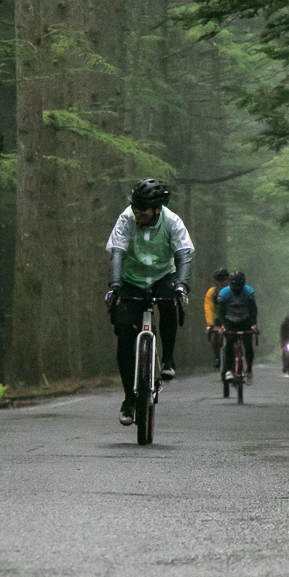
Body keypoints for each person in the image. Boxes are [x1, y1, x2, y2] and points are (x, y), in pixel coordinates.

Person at [105, 178, 194, 426]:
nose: (136, 212)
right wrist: (115, 286)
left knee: (169, 303)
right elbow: (117, 253)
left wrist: (182, 285)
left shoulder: (172, 222)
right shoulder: (126, 219)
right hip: (131, 278)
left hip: (162, 275)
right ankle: (129, 399)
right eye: (134, 206)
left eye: (142, 208)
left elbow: (183, 255)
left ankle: (168, 359)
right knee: (124, 336)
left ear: (157, 209)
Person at [216, 270, 259, 384]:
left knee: (248, 344)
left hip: (245, 320)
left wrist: (254, 324)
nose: (237, 287)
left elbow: (253, 310)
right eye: (234, 284)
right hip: (230, 320)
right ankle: (229, 369)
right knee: (229, 344)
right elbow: (221, 311)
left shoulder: (248, 292)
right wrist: (223, 325)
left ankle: (249, 369)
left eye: (239, 285)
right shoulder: (224, 293)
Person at [204, 268, 230, 368]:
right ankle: (217, 357)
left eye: (223, 280)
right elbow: (208, 308)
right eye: (218, 280)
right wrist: (210, 324)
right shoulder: (212, 292)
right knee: (216, 336)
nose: (221, 283)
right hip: (218, 320)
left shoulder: (233, 290)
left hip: (232, 318)